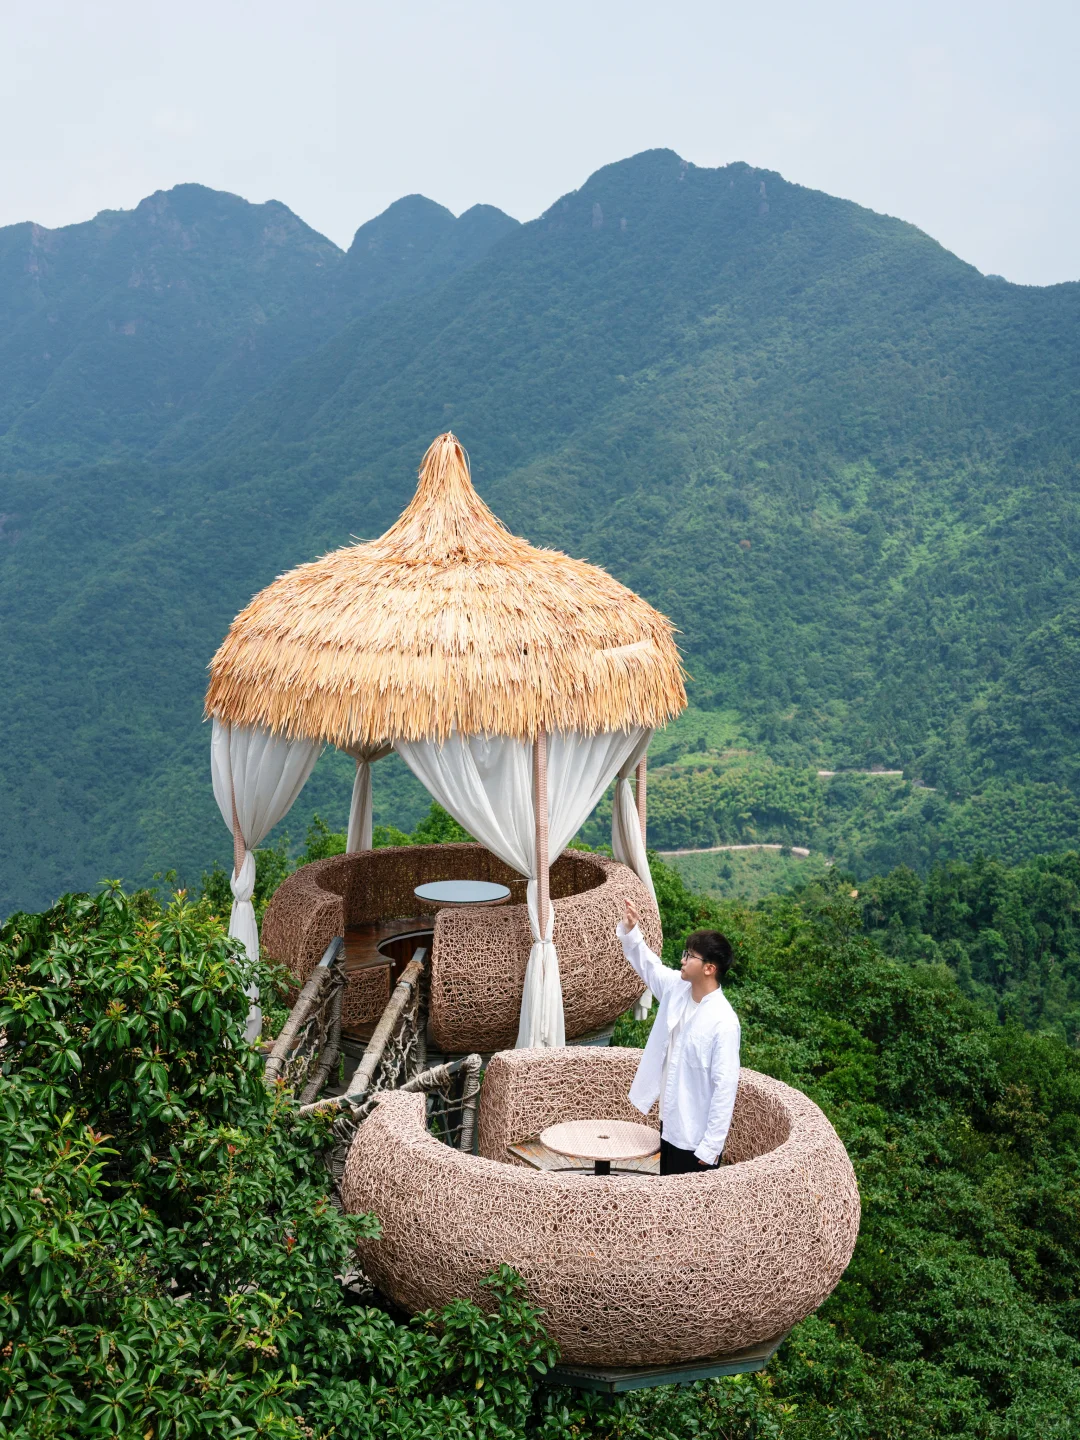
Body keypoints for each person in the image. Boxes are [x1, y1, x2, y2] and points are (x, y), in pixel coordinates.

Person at [617, 898, 741, 1175]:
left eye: (690, 956)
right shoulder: (677, 990)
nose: (682, 960)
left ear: (709, 968)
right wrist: (632, 930)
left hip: (697, 1141)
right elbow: (649, 966)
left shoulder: (723, 1021)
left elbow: (725, 1087)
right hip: (671, 1124)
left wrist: (711, 1147)